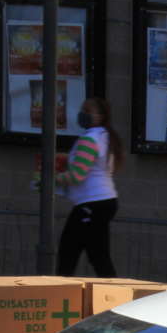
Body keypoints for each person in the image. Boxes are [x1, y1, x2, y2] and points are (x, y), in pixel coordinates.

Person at [55, 97, 122, 277]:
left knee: (69, 254)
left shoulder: (89, 140)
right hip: (103, 201)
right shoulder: (105, 137)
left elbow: (77, 175)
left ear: (100, 116)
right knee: (97, 255)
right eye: (82, 109)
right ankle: (114, 293)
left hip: (91, 203)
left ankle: (61, 295)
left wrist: (51, 179)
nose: (82, 113)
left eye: (87, 110)